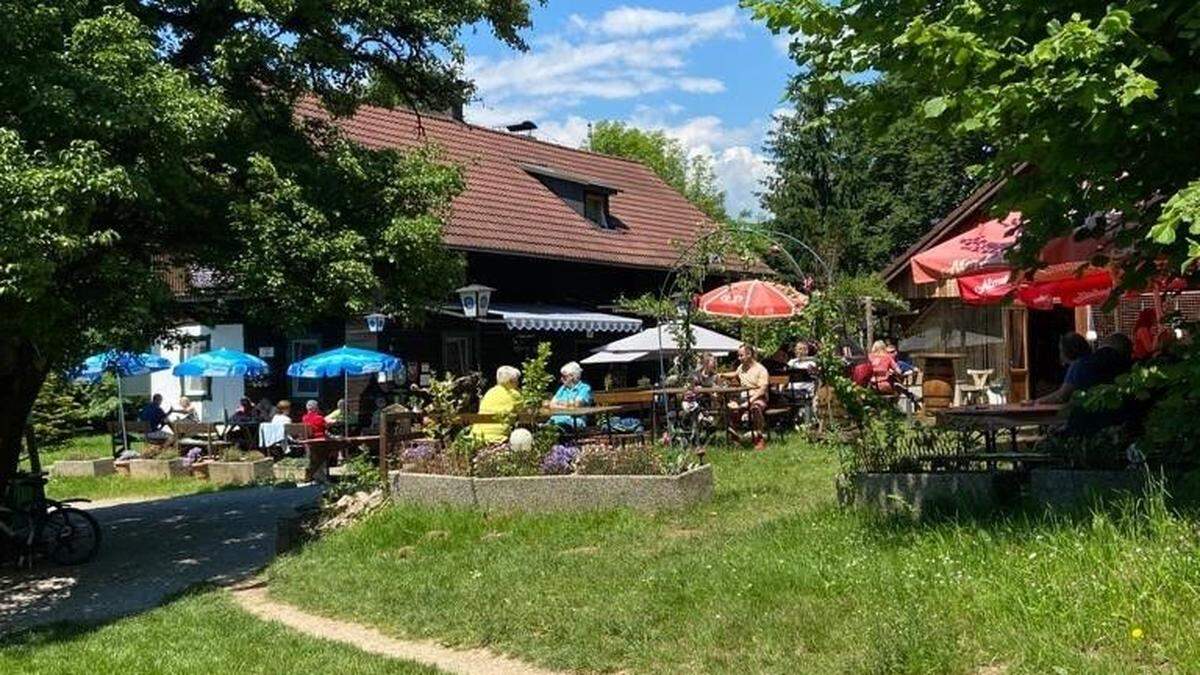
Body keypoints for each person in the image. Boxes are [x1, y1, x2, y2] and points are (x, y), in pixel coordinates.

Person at [722, 344, 770, 450]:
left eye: (741, 356)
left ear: (749, 354)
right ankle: (735, 438)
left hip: (757, 397)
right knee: (729, 408)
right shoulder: (741, 367)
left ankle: (759, 438)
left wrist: (750, 401)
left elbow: (762, 390)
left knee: (755, 408)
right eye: (738, 356)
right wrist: (721, 375)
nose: (739, 358)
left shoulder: (761, 369)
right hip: (743, 397)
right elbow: (735, 374)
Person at [1031, 332, 1094, 404]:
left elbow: (1062, 396)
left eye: (1061, 350)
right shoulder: (1088, 362)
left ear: (1069, 350)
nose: (1060, 354)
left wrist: (1036, 402)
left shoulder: (1078, 366)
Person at [471, 366, 522, 442]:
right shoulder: (514, 395)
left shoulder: (489, 392)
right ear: (511, 381)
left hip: (476, 436)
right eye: (517, 380)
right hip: (497, 438)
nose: (518, 383)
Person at [549, 361, 593, 429]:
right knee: (547, 426)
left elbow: (576, 405)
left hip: (574, 420)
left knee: (559, 426)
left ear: (572, 376)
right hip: (556, 419)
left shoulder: (584, 388)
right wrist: (568, 406)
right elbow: (551, 405)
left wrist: (559, 404)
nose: (561, 379)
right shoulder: (562, 388)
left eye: (564, 376)